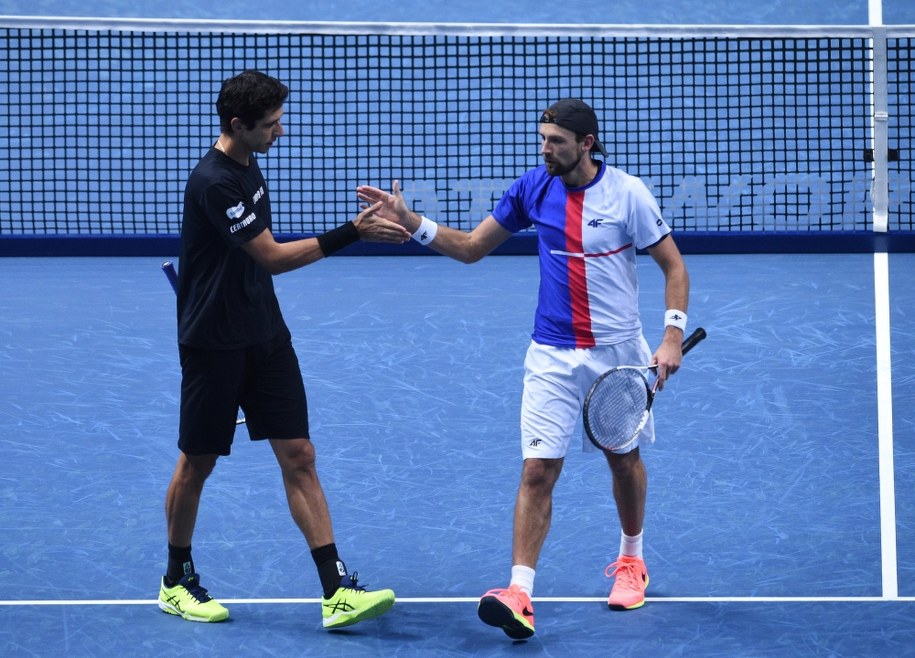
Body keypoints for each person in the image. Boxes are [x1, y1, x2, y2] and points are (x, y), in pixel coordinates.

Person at [357, 99, 690, 640]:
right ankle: (519, 593)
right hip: (552, 356)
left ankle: (633, 560)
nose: (544, 149)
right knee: (538, 471)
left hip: (617, 353)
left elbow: (673, 265)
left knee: (623, 459)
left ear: (585, 143)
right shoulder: (533, 187)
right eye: (542, 139)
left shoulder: (628, 194)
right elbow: (469, 248)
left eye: (555, 141)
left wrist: (672, 334)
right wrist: (410, 221)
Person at [158, 70, 408, 628]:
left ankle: (336, 589)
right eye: (271, 125)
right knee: (197, 462)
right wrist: (353, 233)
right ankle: (176, 580)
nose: (281, 131)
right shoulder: (214, 182)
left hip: (265, 335)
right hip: (213, 343)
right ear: (237, 126)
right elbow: (270, 256)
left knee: (300, 455)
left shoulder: (248, 160)